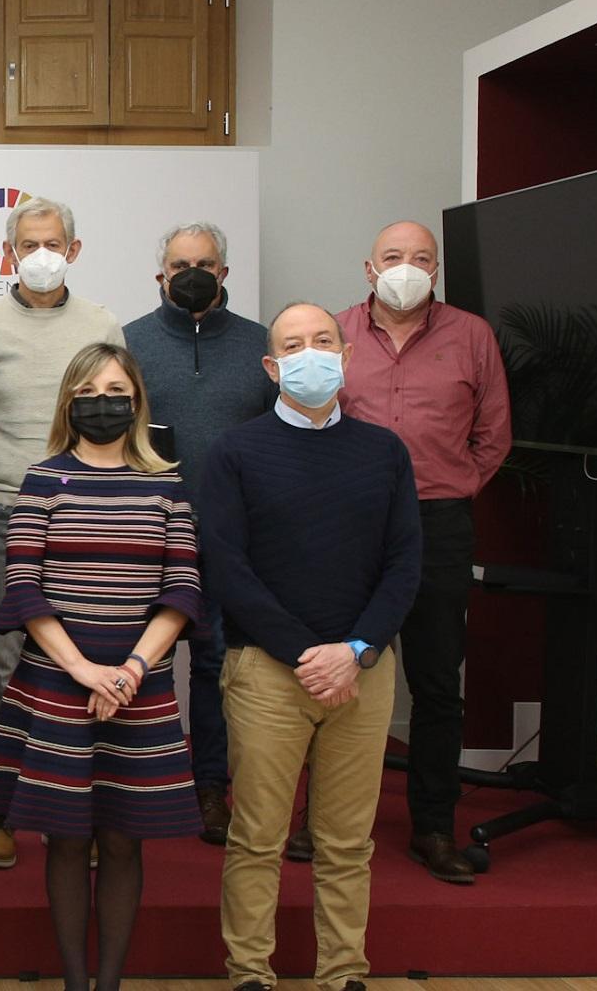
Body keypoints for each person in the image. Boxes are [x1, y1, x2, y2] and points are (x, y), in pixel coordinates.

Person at [201, 302, 422, 991]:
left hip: (364, 670)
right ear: (272, 368)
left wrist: (354, 649)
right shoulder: (235, 452)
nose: (310, 355)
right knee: (257, 837)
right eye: (293, 346)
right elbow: (226, 568)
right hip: (268, 672)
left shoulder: (385, 451)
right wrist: (310, 653)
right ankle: (249, 972)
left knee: (347, 841)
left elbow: (404, 564)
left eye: (323, 341)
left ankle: (343, 972)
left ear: (346, 355)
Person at [0, 342, 202, 991]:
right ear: (68, 403)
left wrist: (128, 670)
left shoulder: (167, 484)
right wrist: (84, 671)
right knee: (68, 838)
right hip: (56, 683)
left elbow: (182, 589)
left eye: (116, 391)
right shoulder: (43, 480)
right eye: (89, 392)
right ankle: (76, 983)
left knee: (124, 840)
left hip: (139, 686)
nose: (104, 403)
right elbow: (24, 587)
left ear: (137, 401)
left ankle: (109, 984)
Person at [335, 220, 510, 885]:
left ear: (435, 269)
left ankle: (434, 827)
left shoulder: (472, 336)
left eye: (420, 258)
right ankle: (326, 821)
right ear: (369, 267)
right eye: (393, 256)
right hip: (354, 527)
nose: (406, 267)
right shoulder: (337, 331)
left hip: (439, 524)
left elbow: (494, 433)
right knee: (340, 674)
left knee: (437, 682)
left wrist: (454, 484)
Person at [0, 195, 123, 871]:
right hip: (2, 516)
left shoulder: (102, 325)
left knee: (80, 665)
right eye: (28, 245)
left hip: (84, 515)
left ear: (73, 250)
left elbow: (117, 416)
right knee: (1, 670)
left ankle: (70, 813)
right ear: (9, 253)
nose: (41, 256)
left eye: (52, 243)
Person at [121, 221, 278, 845]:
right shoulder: (128, 342)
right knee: (137, 659)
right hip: (146, 534)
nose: (193, 275)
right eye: (181, 265)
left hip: (231, 537)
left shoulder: (260, 345)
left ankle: (211, 786)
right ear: (160, 275)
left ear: (224, 273)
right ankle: (135, 784)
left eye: (206, 265)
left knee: (215, 665)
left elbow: (278, 438)